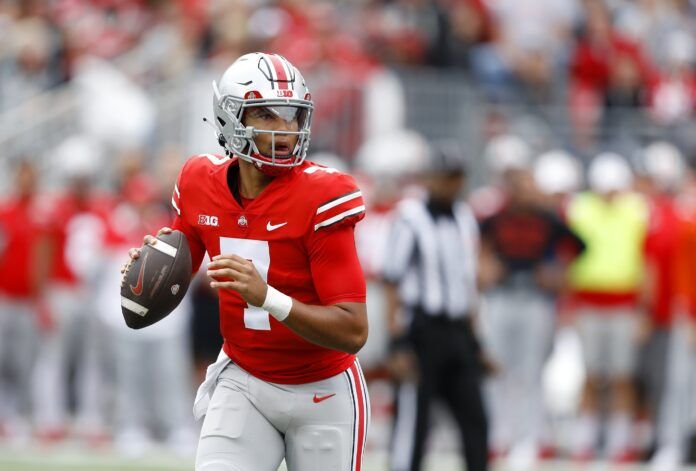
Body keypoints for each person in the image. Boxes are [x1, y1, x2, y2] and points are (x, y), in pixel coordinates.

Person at [122, 52, 369, 471]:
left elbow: (353, 329)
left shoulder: (323, 195)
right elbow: (179, 265)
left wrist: (268, 297)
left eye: (292, 116)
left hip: (323, 390)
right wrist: (151, 270)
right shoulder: (199, 180)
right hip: (245, 379)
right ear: (229, 118)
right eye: (267, 116)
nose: (285, 130)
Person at [382, 143, 489, 471]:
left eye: (457, 178)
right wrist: (397, 343)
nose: (452, 185)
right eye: (446, 177)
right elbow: (392, 281)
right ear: (429, 179)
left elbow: (466, 283)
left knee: (476, 418)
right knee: (414, 419)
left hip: (457, 330)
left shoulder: (465, 216)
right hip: (421, 330)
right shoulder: (410, 217)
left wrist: (476, 341)